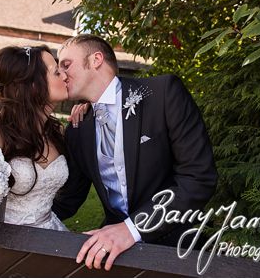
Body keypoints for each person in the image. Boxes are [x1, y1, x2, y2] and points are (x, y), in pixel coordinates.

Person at [53, 34, 217, 271]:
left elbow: (198, 178)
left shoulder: (163, 94)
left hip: (177, 246)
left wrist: (132, 229)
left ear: (97, 59)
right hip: (111, 253)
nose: (61, 74)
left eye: (66, 64)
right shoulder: (78, 128)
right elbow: (70, 197)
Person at [0, 45, 71, 231]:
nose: (65, 76)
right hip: (6, 242)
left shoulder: (55, 132)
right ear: (33, 85)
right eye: (56, 72)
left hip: (51, 231)